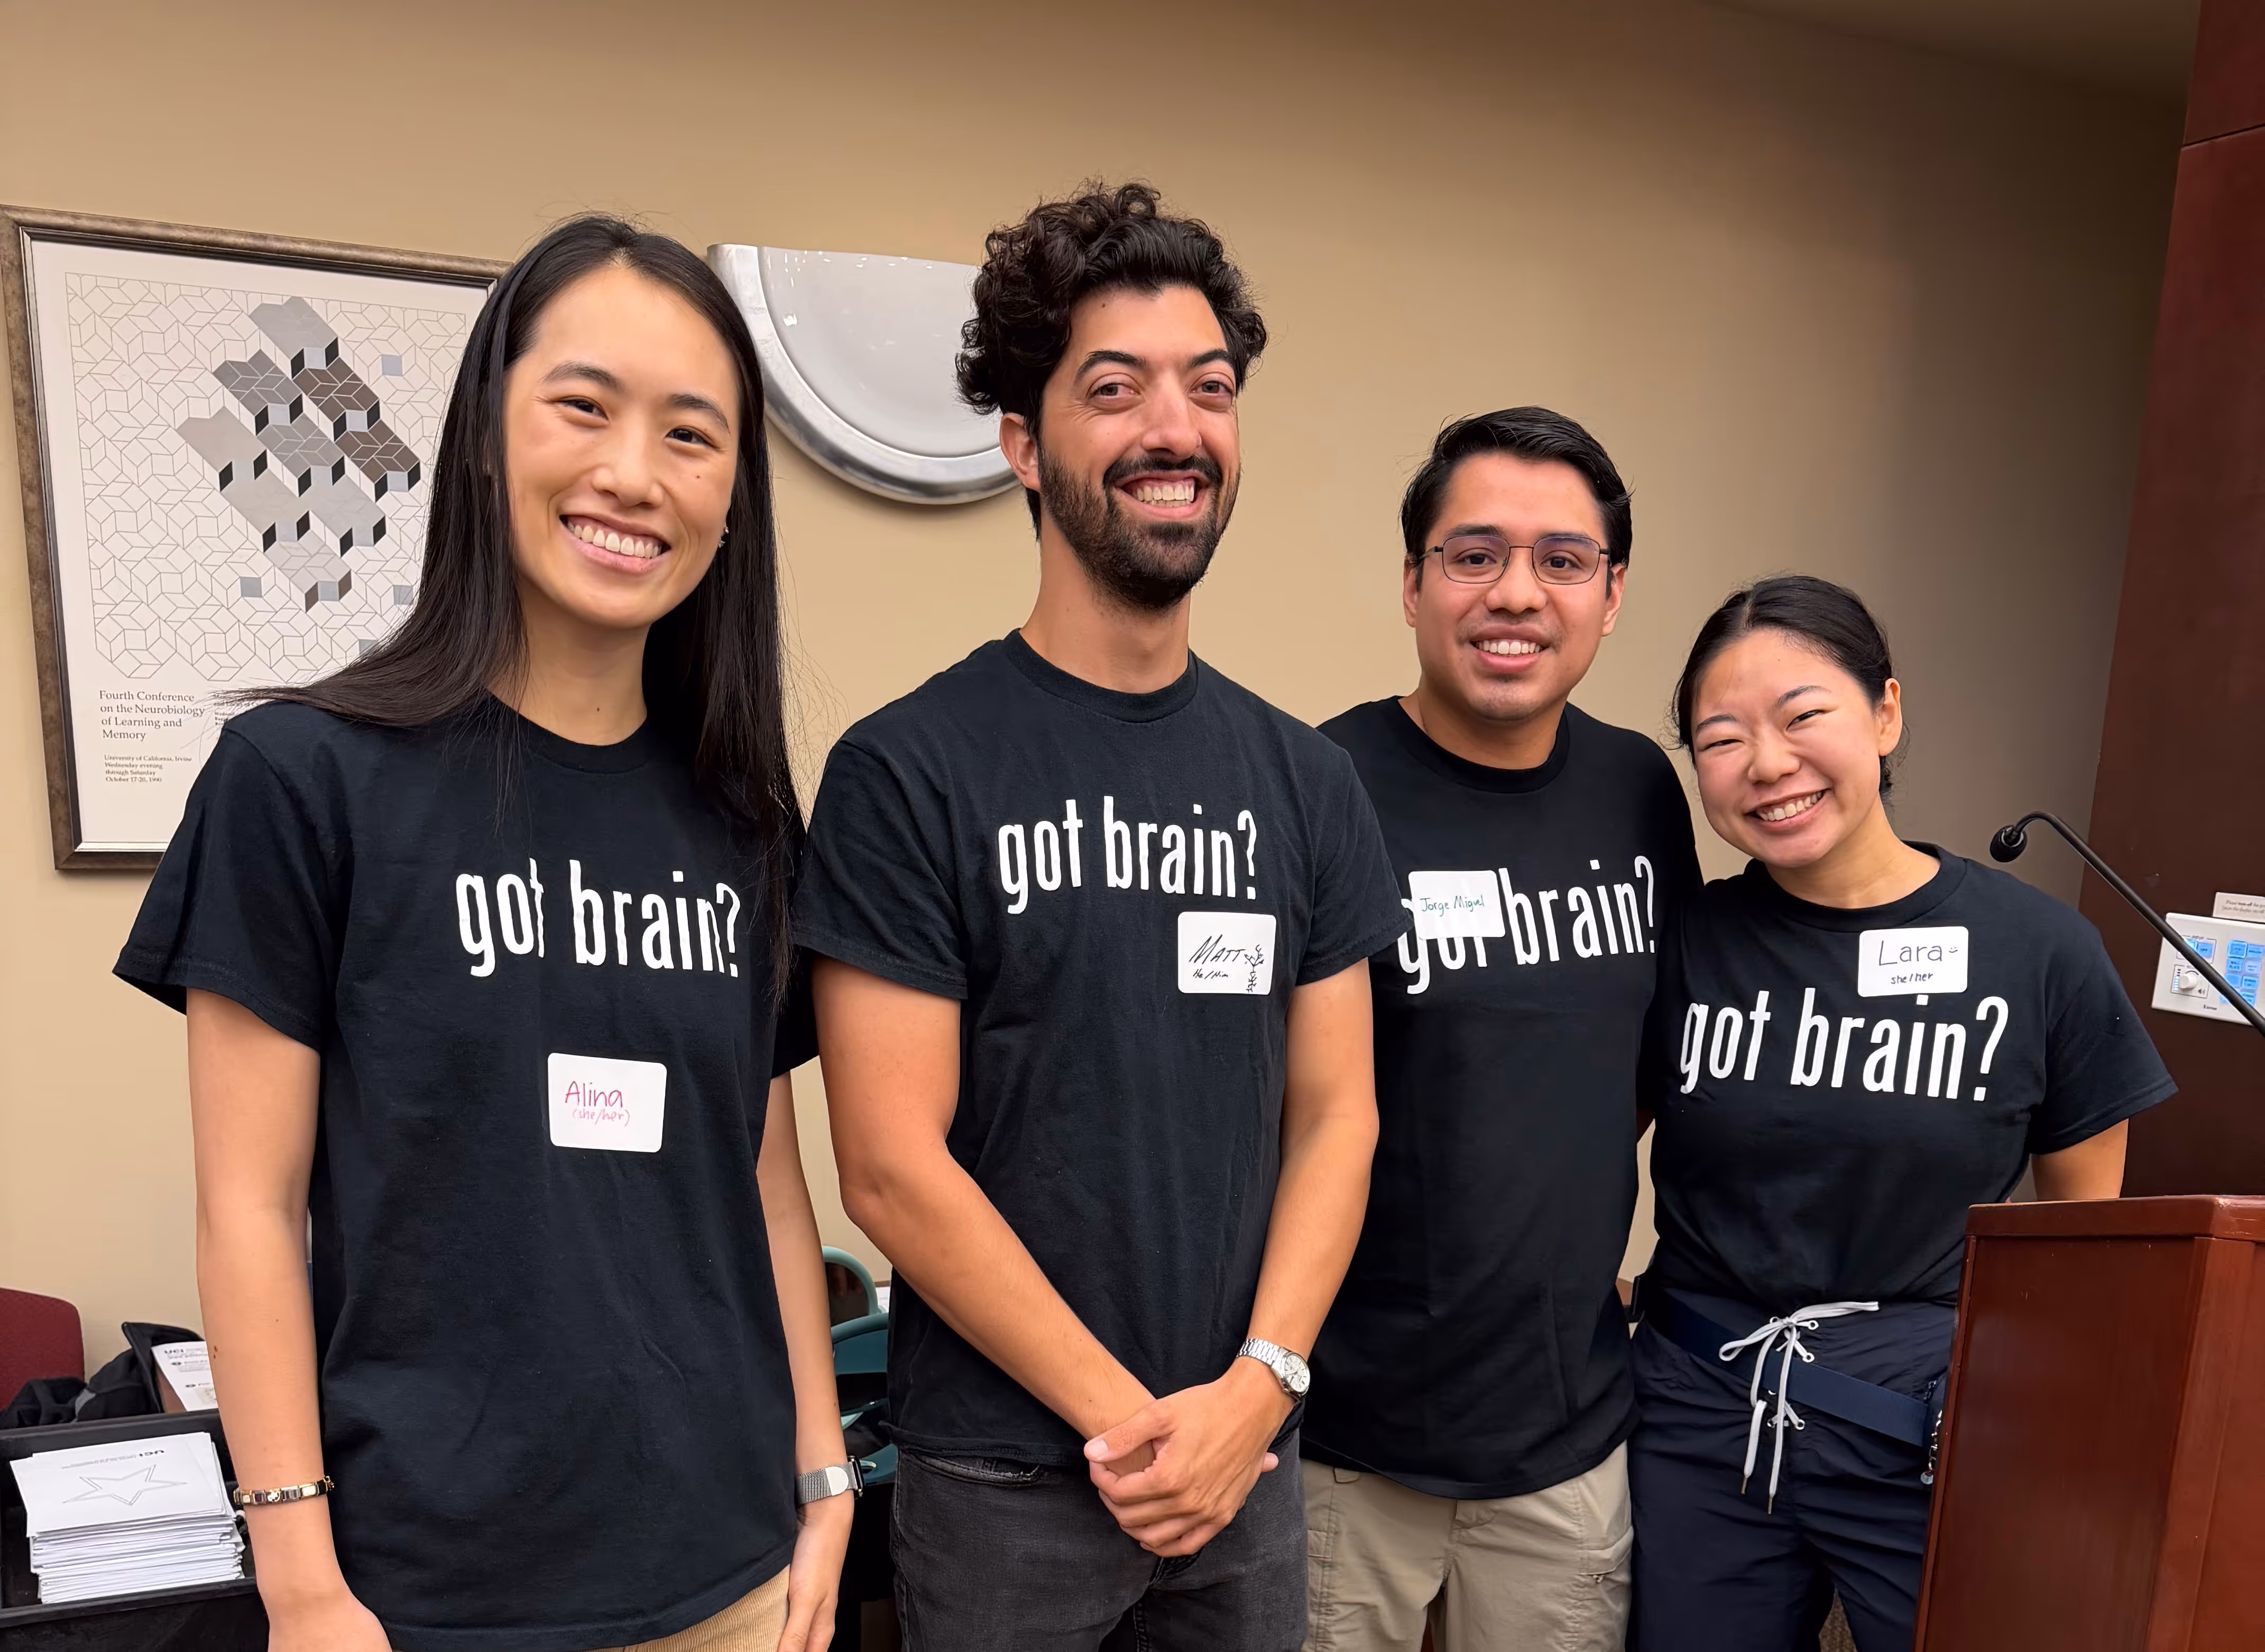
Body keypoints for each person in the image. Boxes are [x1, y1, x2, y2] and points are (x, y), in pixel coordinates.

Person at [115, 218, 855, 1652]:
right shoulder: (301, 779)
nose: (631, 475)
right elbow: (248, 1212)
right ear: (483, 435)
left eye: (692, 436)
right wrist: (302, 1578)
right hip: (427, 1595)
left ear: (733, 499)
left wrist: (824, 1476)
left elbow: (764, 1184)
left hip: (734, 1571)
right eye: (582, 406)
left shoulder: (746, 823)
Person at [795, 182, 1403, 1651]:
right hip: (1007, 1481)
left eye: (1210, 389)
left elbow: (1338, 1115)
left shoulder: (1303, 781)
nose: (1173, 430)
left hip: (1244, 1466)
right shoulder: (908, 769)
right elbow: (886, 1165)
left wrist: (1258, 1386)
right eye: (1112, 389)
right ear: (1021, 441)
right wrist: (1138, 1429)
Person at [1629, 575, 2176, 1652]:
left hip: (1933, 1427)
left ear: (1885, 711)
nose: (1768, 764)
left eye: (1803, 716)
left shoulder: (2040, 953)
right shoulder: (1685, 941)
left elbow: (2085, 1250)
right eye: (1721, 737)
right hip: (1701, 1419)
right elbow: (1576, 1148)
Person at [1300, 408, 1700, 1651]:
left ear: (1613, 592)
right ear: (1413, 584)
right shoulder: (1317, 785)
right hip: (1339, 1445)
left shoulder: (1640, 787)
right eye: (1473, 555)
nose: (1515, 592)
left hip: (1565, 1442)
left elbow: (1632, 1066)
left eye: (1562, 560)